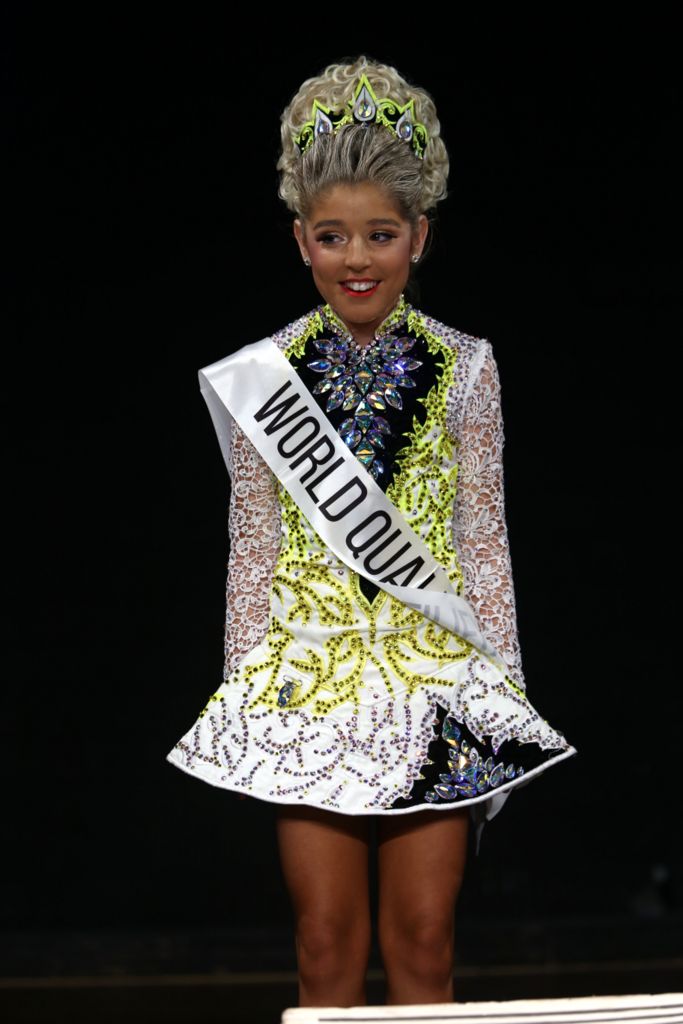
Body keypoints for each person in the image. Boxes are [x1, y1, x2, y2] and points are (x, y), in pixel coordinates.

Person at [166, 54, 577, 1008]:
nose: (357, 258)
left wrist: (504, 697)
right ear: (301, 241)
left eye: (380, 235)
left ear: (418, 237)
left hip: (436, 681)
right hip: (308, 682)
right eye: (333, 236)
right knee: (323, 945)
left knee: (424, 941)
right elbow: (252, 549)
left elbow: (484, 543)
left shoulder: (467, 368)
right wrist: (244, 695)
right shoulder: (266, 375)